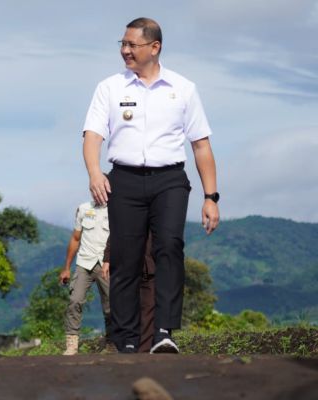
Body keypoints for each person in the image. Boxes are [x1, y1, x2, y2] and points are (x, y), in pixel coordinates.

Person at [82, 17, 219, 354]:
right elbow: (92, 135)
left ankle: (163, 332)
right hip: (124, 180)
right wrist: (95, 172)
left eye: (132, 45)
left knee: (169, 247)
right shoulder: (110, 87)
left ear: (154, 47)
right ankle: (126, 338)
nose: (125, 51)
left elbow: (201, 145)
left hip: (170, 179)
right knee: (126, 259)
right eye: (122, 44)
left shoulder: (183, 88)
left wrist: (211, 196)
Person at [58, 201, 111, 355]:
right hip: (84, 263)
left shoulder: (115, 209)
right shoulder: (83, 209)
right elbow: (75, 238)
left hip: (106, 264)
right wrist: (67, 267)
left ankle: (112, 342)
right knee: (75, 299)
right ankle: (72, 344)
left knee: (111, 305)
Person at [102, 232, 156, 353]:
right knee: (126, 307)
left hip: (151, 264)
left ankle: (144, 350)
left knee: (149, 307)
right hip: (128, 265)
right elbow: (116, 230)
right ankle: (126, 345)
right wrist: (107, 258)